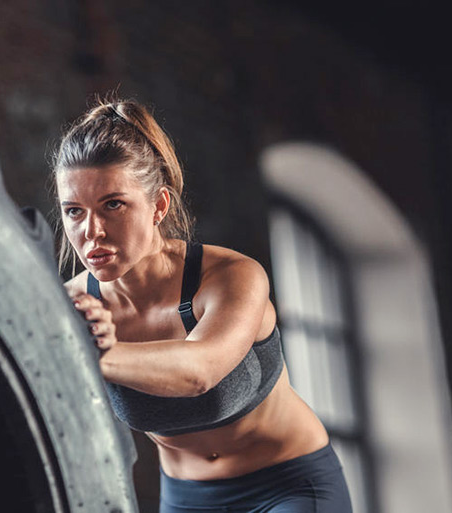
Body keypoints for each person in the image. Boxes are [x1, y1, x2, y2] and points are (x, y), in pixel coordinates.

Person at [52, 97, 353, 513]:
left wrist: (92, 356)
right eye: (73, 211)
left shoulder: (231, 277)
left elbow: (200, 371)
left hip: (287, 484)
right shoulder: (70, 307)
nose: (92, 231)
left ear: (158, 206)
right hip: (187, 500)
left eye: (113, 205)